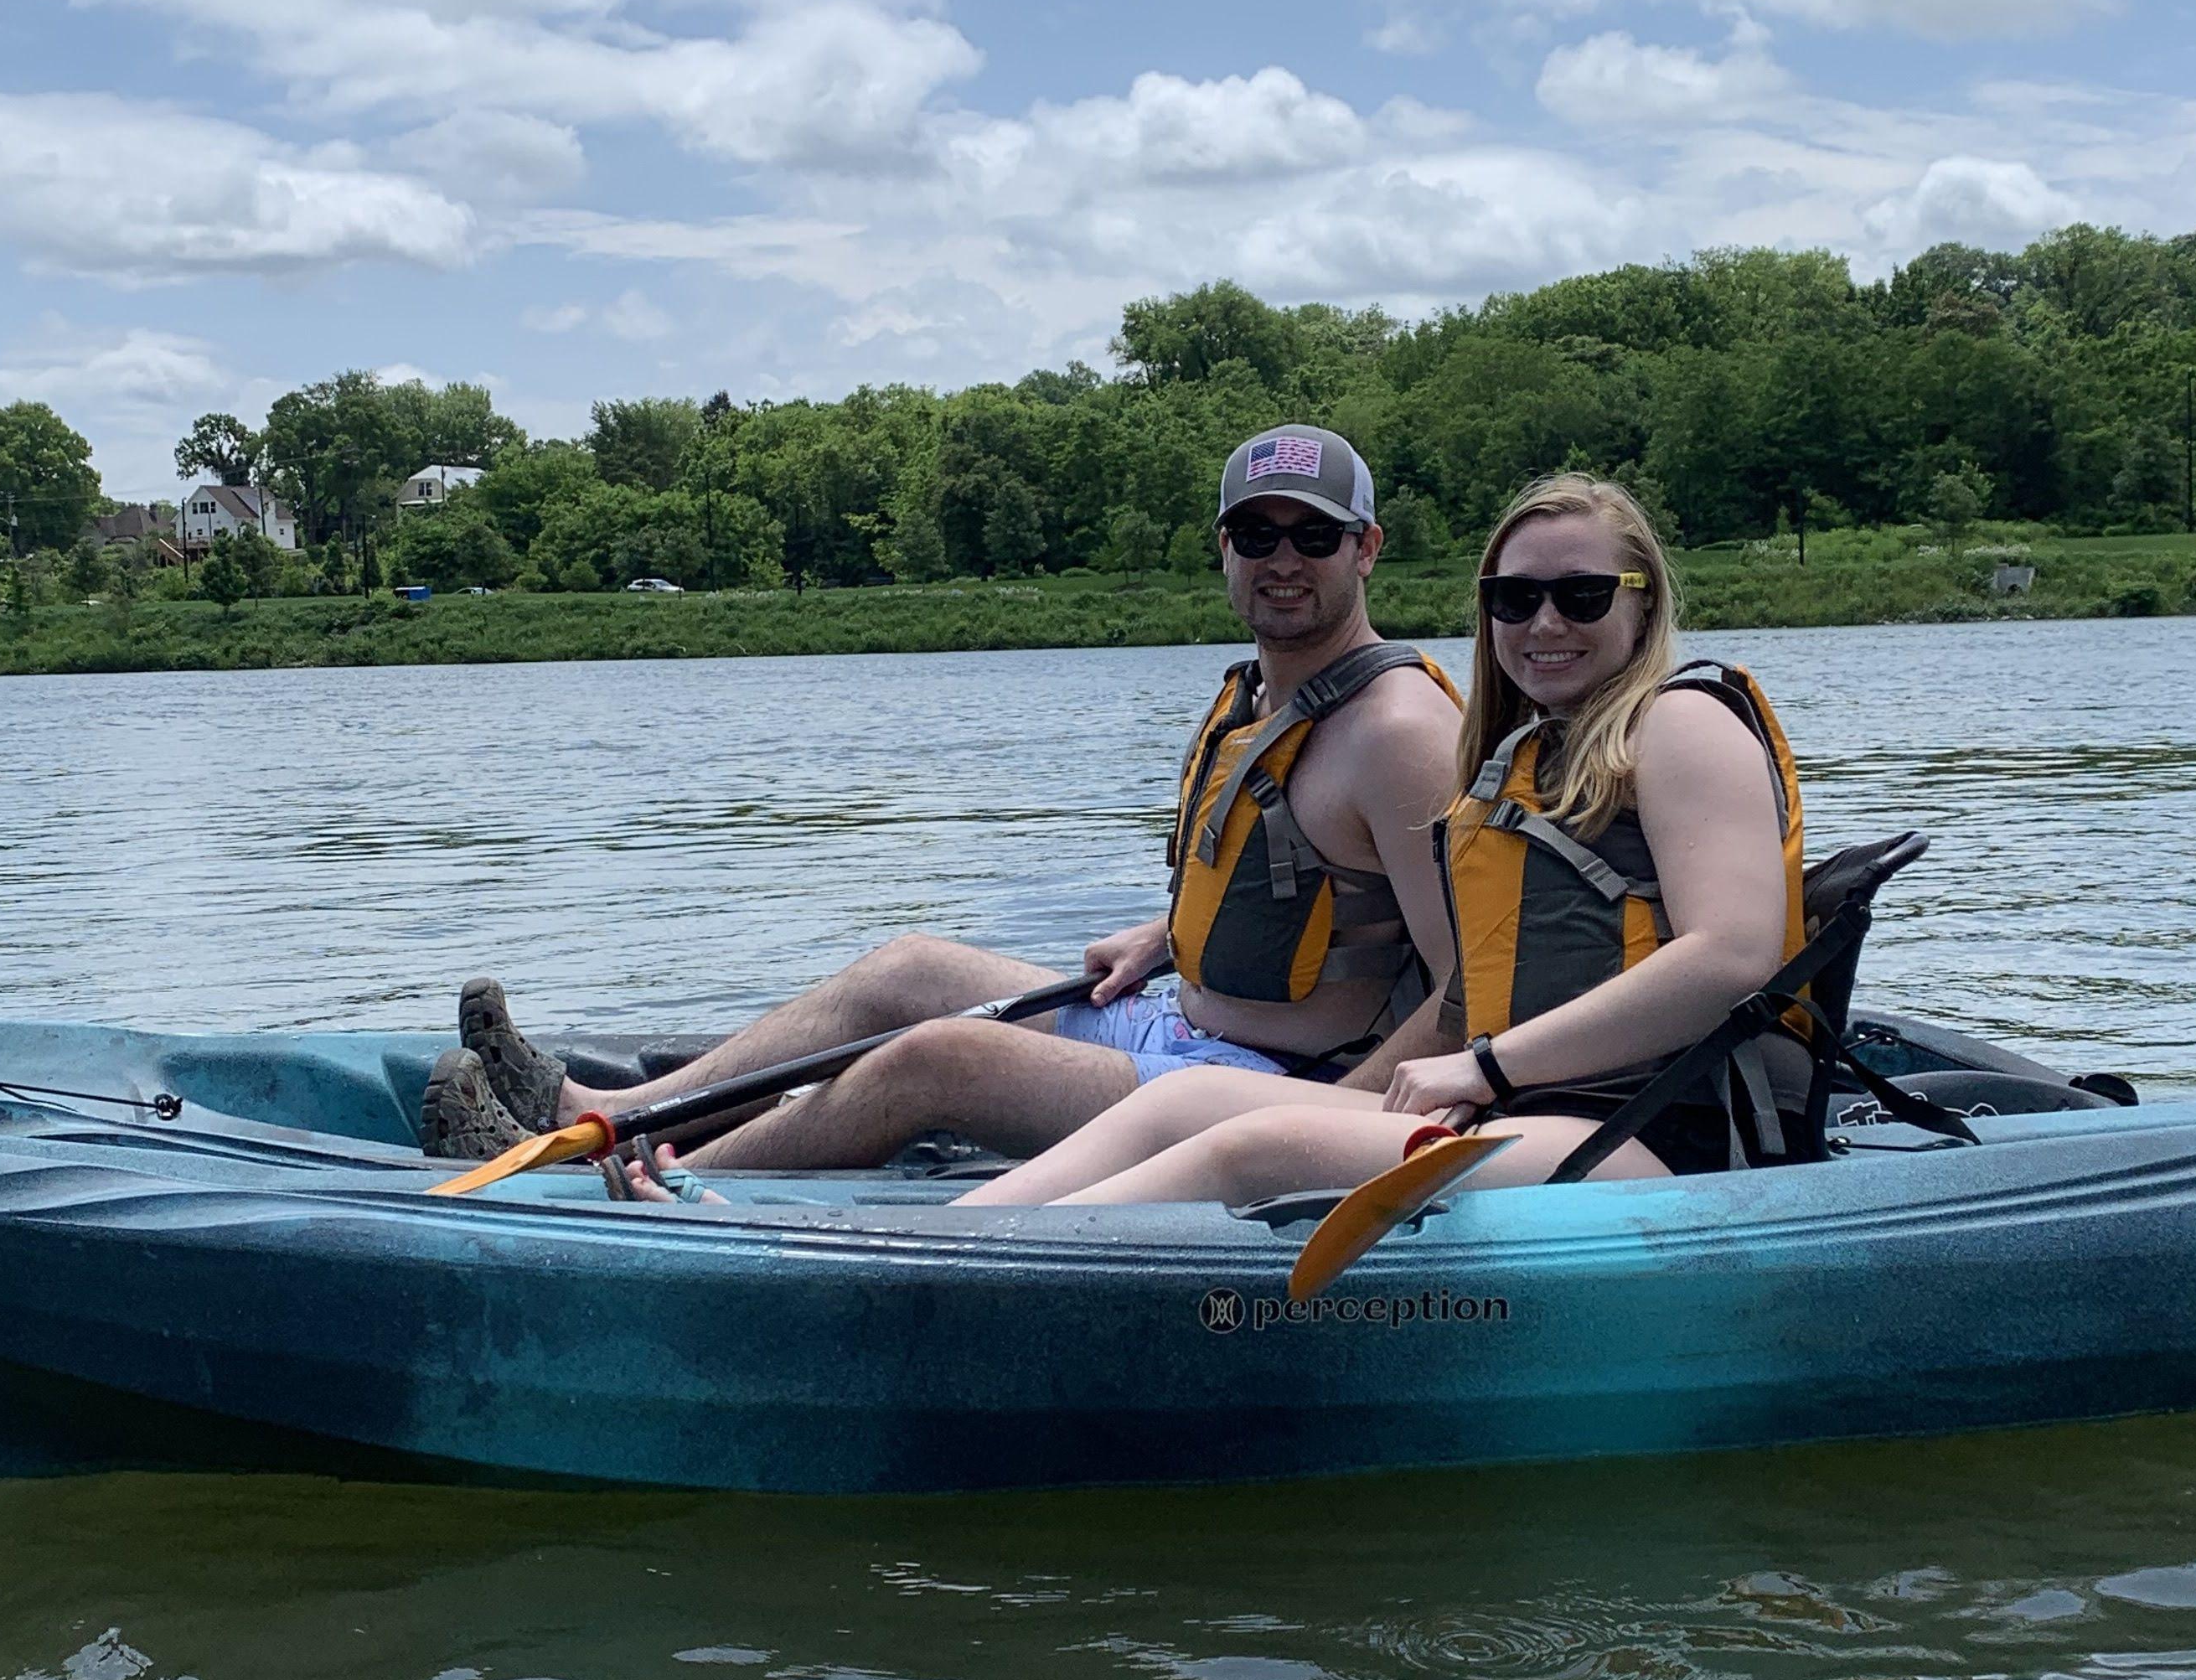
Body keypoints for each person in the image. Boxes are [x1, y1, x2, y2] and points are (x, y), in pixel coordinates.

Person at [422, 425, 1466, 1171]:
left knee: (937, 1061)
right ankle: (597, 1109)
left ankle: (647, 1184)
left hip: (1272, 1082)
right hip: (1176, 1025)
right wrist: (1167, 933)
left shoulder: (1399, 732)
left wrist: (1340, 1112)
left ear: (1366, 549)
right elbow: (1308, 885)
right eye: (1257, 536)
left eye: (1315, 537)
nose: (1283, 561)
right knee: (910, 969)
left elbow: (1470, 978)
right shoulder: (1261, 699)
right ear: (1224, 550)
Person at [956, 471, 1805, 1212]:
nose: (1545, 622)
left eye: (1581, 596)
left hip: (1648, 1139)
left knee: (1255, 1148)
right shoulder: (1530, 756)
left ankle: (969, 1283)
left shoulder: (1682, 723)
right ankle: (938, 1241)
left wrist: (1488, 1070)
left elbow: (1730, 955)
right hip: (1525, 1113)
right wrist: (1164, 936)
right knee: (1188, 1102)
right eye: (1515, 598)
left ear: (1641, 599)